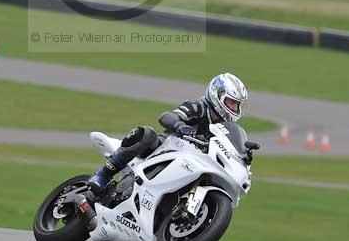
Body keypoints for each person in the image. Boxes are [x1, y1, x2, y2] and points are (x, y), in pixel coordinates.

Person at [88, 72, 249, 194]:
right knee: (146, 134)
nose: (235, 109)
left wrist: (243, 155)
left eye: (237, 105)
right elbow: (166, 117)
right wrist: (180, 126)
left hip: (193, 163)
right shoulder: (198, 107)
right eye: (232, 102)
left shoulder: (224, 127)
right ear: (217, 95)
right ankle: (102, 175)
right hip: (165, 149)